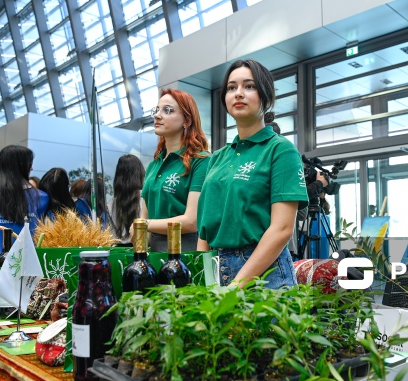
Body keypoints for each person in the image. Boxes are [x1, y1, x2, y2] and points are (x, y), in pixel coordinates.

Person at [197, 59, 308, 289]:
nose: (238, 93)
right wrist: (203, 280)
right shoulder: (217, 158)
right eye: (231, 87)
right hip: (216, 269)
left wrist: (235, 288)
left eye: (249, 86)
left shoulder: (280, 149)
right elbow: (204, 232)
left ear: (265, 97)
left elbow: (282, 229)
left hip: (266, 275)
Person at [137, 89, 211, 252]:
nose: (157, 115)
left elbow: (192, 222)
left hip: (185, 252)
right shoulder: (154, 165)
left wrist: (143, 225)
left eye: (167, 110)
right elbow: (145, 218)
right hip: (153, 254)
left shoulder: (201, 161)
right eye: (156, 110)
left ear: (187, 120)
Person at [0, 145, 49, 254]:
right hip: (28, 265)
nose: (32, 168)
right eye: (29, 163)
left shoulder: (42, 198)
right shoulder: (41, 197)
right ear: (20, 166)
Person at [111, 154, 145, 245]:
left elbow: (111, 234)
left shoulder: (112, 203)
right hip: (140, 249)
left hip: (118, 251)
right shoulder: (145, 198)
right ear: (140, 173)